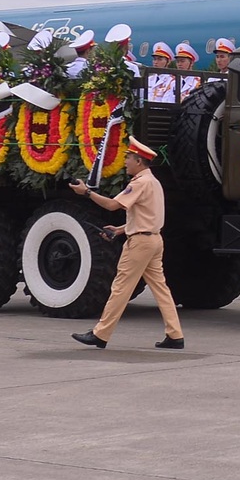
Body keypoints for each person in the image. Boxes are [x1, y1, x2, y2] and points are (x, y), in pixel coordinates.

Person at [70, 137, 185, 349]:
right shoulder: (154, 182)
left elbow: (113, 205)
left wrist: (87, 192)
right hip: (154, 240)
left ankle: (101, 333)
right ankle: (175, 334)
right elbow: (148, 215)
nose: (125, 162)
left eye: (128, 158)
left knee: (121, 287)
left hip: (140, 243)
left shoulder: (140, 183)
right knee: (161, 289)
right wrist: (122, 229)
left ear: (139, 161)